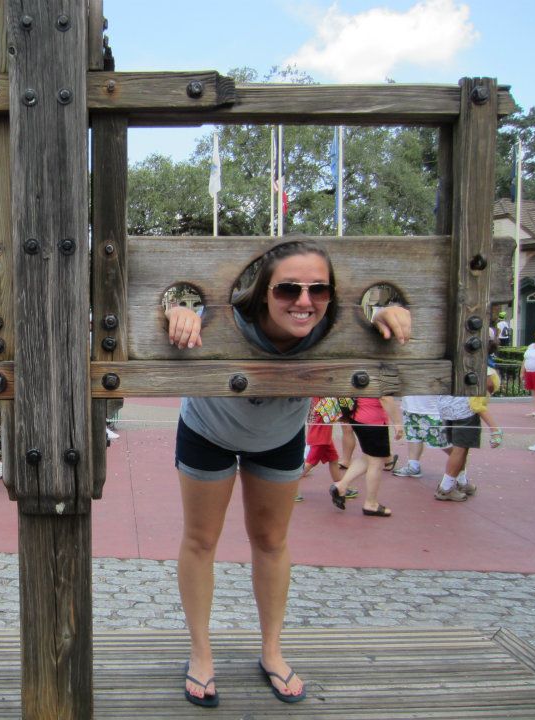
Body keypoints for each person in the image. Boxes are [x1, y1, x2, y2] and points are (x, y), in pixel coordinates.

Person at [165, 239, 411, 707]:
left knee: (272, 540)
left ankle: (272, 651)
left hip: (279, 436)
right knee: (200, 540)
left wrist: (380, 317)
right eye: (288, 290)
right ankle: (200, 653)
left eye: (318, 289)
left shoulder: (332, 326)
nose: (304, 301)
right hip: (208, 427)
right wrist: (180, 312)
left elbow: (368, 328)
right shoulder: (229, 320)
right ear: (262, 292)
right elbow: (179, 312)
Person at [329, 396, 403, 517]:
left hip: (358, 415)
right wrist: (398, 423)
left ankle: (341, 486)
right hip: (372, 420)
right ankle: (371, 503)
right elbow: (385, 397)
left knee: (368, 457)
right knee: (376, 462)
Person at [299, 398, 357, 501]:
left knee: (334, 460)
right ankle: (290, 487)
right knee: (309, 464)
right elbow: (334, 415)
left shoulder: (320, 398)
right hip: (320, 438)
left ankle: (340, 486)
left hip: (324, 437)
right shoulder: (321, 399)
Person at [392, 395, 450, 478]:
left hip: (430, 409)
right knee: (413, 436)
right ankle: (413, 466)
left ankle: (459, 466)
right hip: (409, 406)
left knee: (444, 443)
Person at [521, 330, 535, 418]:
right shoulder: (531, 346)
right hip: (530, 372)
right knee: (534, 393)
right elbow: (525, 360)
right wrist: (522, 372)